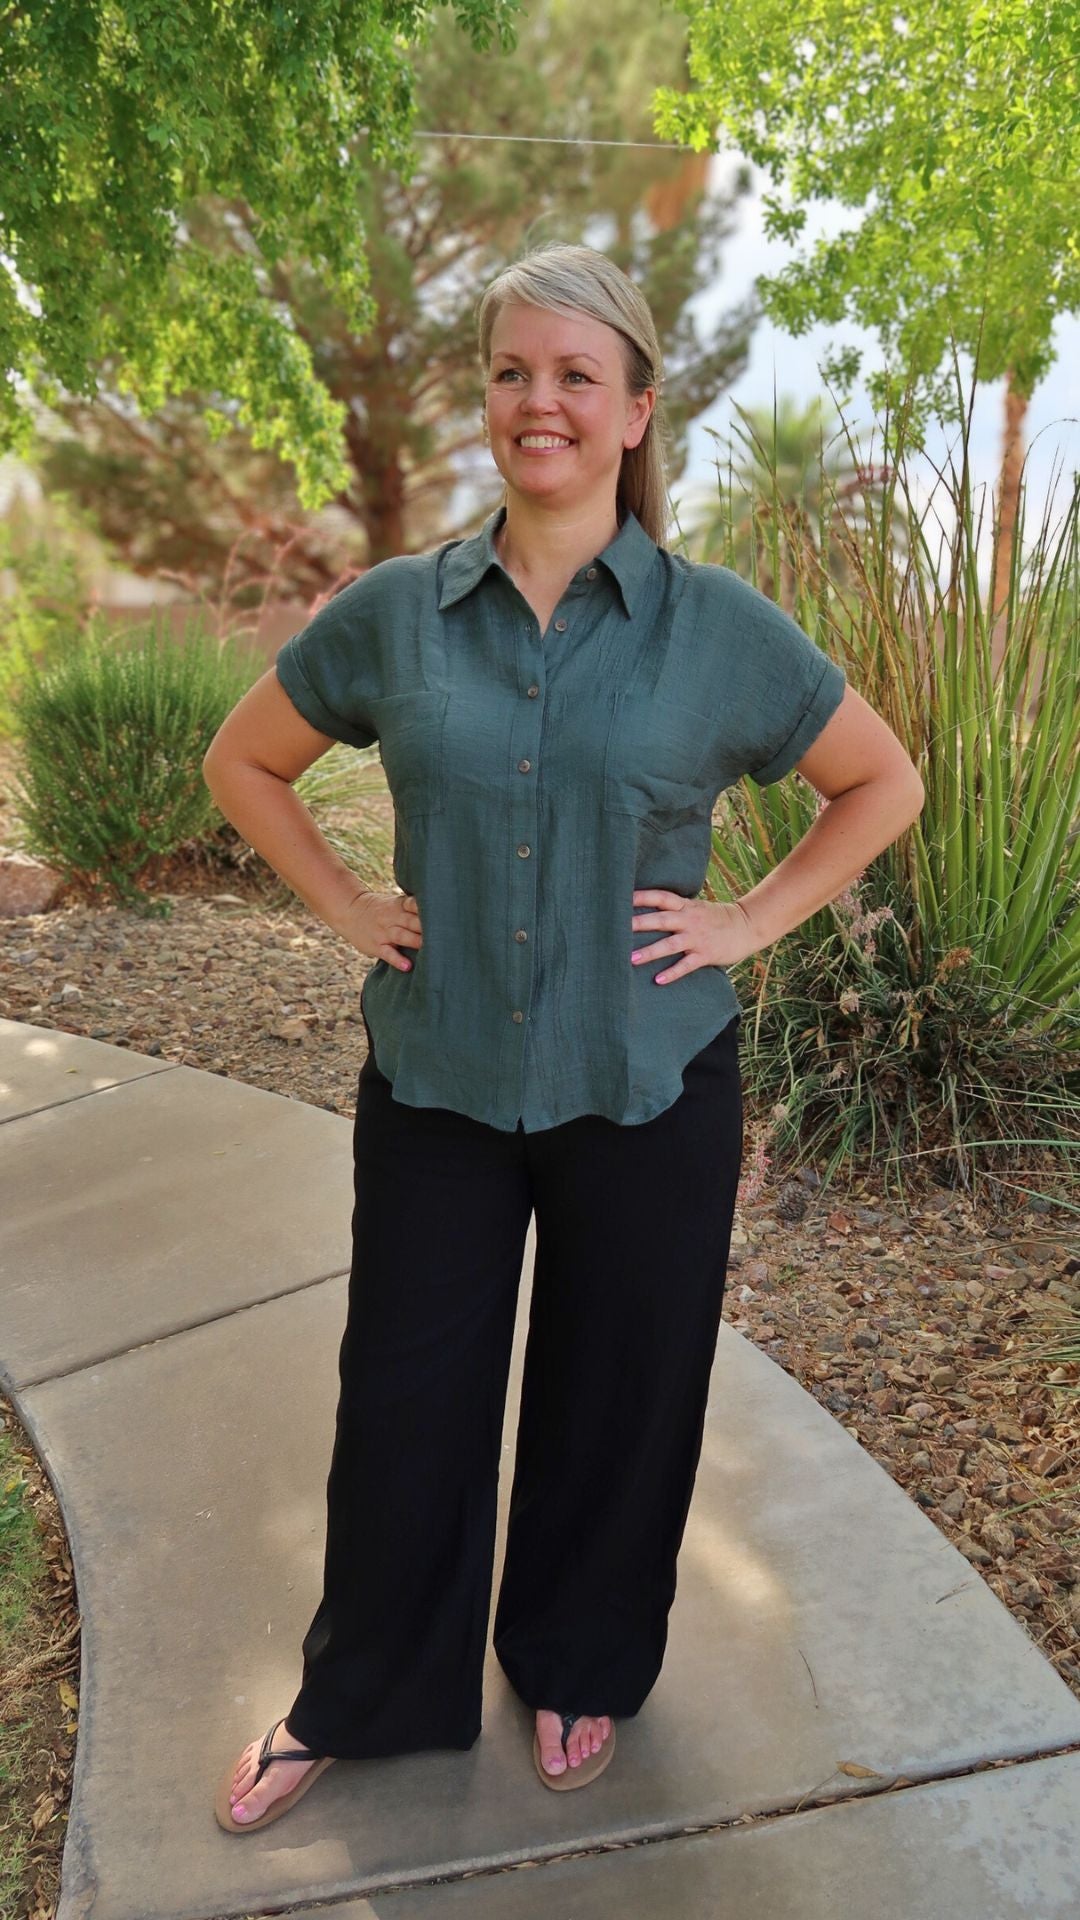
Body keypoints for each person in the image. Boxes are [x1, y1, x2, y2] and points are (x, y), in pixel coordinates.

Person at [203, 242, 924, 1833]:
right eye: (515, 372)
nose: (543, 402)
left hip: (645, 1080)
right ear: (489, 398)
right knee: (405, 1400)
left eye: (576, 376)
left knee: (622, 1392)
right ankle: (365, 1691)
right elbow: (244, 762)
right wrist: (344, 909)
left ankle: (580, 1660)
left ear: (638, 408)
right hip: (441, 1075)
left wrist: (743, 924)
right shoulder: (396, 615)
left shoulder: (713, 629)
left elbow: (882, 781)